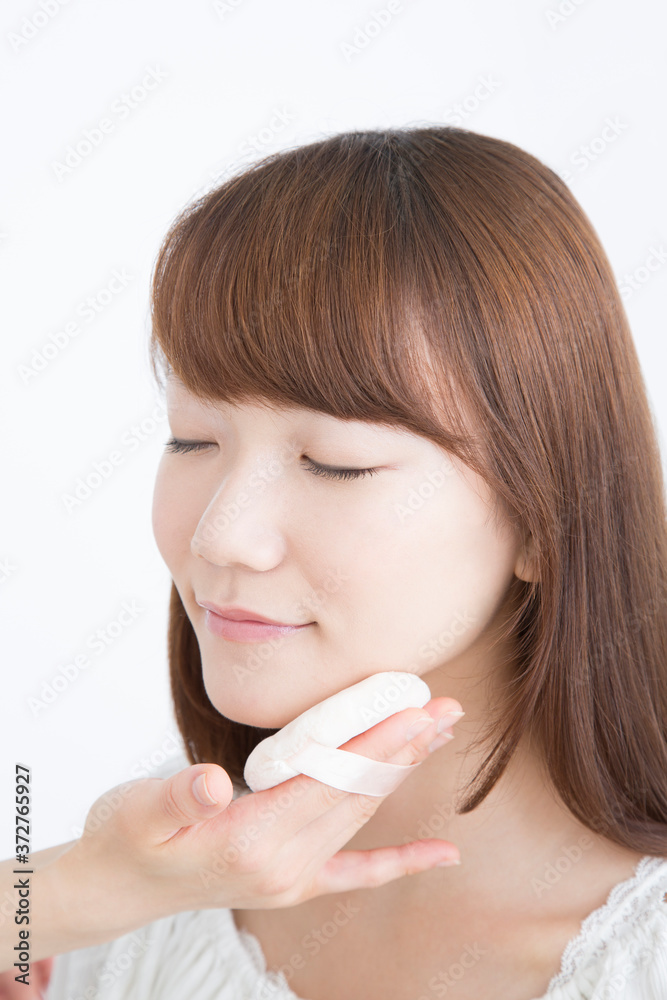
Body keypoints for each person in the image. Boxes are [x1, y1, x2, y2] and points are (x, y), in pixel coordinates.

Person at [4, 125, 667, 999]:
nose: (219, 536)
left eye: (335, 463)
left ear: (545, 520)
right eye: (191, 439)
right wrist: (67, 896)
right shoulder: (139, 877)